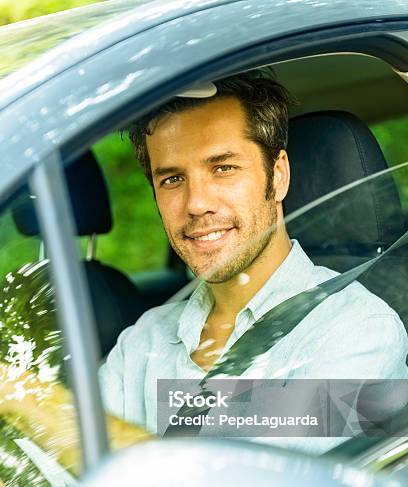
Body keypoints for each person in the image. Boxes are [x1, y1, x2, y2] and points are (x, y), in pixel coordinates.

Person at [99, 70, 408, 441]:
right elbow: (68, 475)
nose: (196, 203)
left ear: (277, 176)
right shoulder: (143, 341)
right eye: (172, 179)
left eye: (223, 168)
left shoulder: (356, 331)